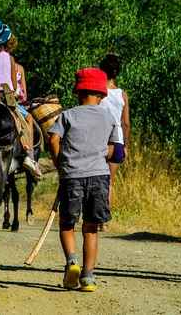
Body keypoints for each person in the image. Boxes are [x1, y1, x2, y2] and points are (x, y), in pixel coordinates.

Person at [48, 68, 120, 292]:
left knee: (67, 224)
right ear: (101, 94)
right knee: (91, 228)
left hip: (72, 177)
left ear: (78, 93)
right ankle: (88, 276)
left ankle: (72, 262)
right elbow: (114, 149)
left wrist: (61, 163)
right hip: (99, 176)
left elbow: (53, 139)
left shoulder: (67, 115)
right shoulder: (109, 117)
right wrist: (98, 152)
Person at [0, 18, 42, 179]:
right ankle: (29, 155)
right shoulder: (9, 58)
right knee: (27, 118)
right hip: (7, 98)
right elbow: (14, 87)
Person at [98, 53, 131, 205]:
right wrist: (126, 145)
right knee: (110, 183)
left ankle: (94, 216)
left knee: (97, 181)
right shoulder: (122, 94)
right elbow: (126, 123)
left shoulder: (98, 93)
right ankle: (104, 220)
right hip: (117, 140)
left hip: (100, 141)